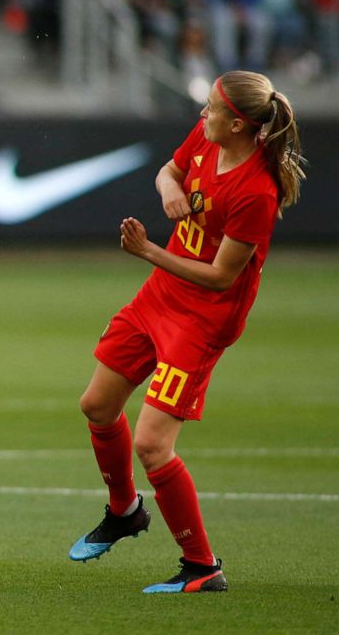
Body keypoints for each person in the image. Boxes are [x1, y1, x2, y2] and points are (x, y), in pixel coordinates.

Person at [68, 70, 305, 593]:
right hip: (160, 295)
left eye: (213, 110)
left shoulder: (256, 193)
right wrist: (171, 191)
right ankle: (125, 510)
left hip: (201, 321)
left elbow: (222, 278)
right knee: (98, 405)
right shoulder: (208, 137)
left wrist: (151, 250)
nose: (203, 116)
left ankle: (202, 566)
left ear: (239, 124)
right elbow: (167, 172)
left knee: (153, 445)